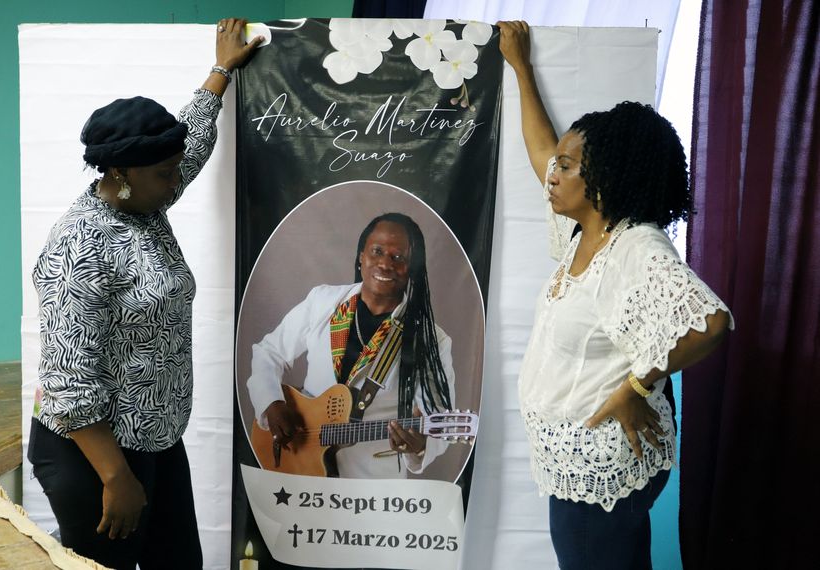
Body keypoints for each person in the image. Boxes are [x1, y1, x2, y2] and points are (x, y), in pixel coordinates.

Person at [497, 21, 733, 569]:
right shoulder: (583, 231)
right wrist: (521, 68)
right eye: (559, 164)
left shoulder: (635, 246)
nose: (552, 174)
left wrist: (636, 385)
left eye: (567, 166)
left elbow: (710, 322)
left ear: (602, 177)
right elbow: (541, 152)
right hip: (579, 463)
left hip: (600, 467)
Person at [27, 19, 261, 570]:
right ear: (121, 171)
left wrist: (221, 70)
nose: (177, 180)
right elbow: (68, 379)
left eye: (174, 169)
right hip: (95, 452)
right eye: (165, 173)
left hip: (154, 435)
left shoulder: (144, 203)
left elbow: (189, 145)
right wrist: (116, 478)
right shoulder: (80, 244)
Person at [246, 213, 456, 479]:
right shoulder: (322, 301)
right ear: (361, 256)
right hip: (302, 470)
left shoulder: (431, 340)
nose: (385, 264)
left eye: (398, 257)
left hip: (371, 486)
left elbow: (439, 418)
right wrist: (272, 403)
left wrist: (421, 444)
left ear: (411, 268)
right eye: (377, 251)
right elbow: (269, 352)